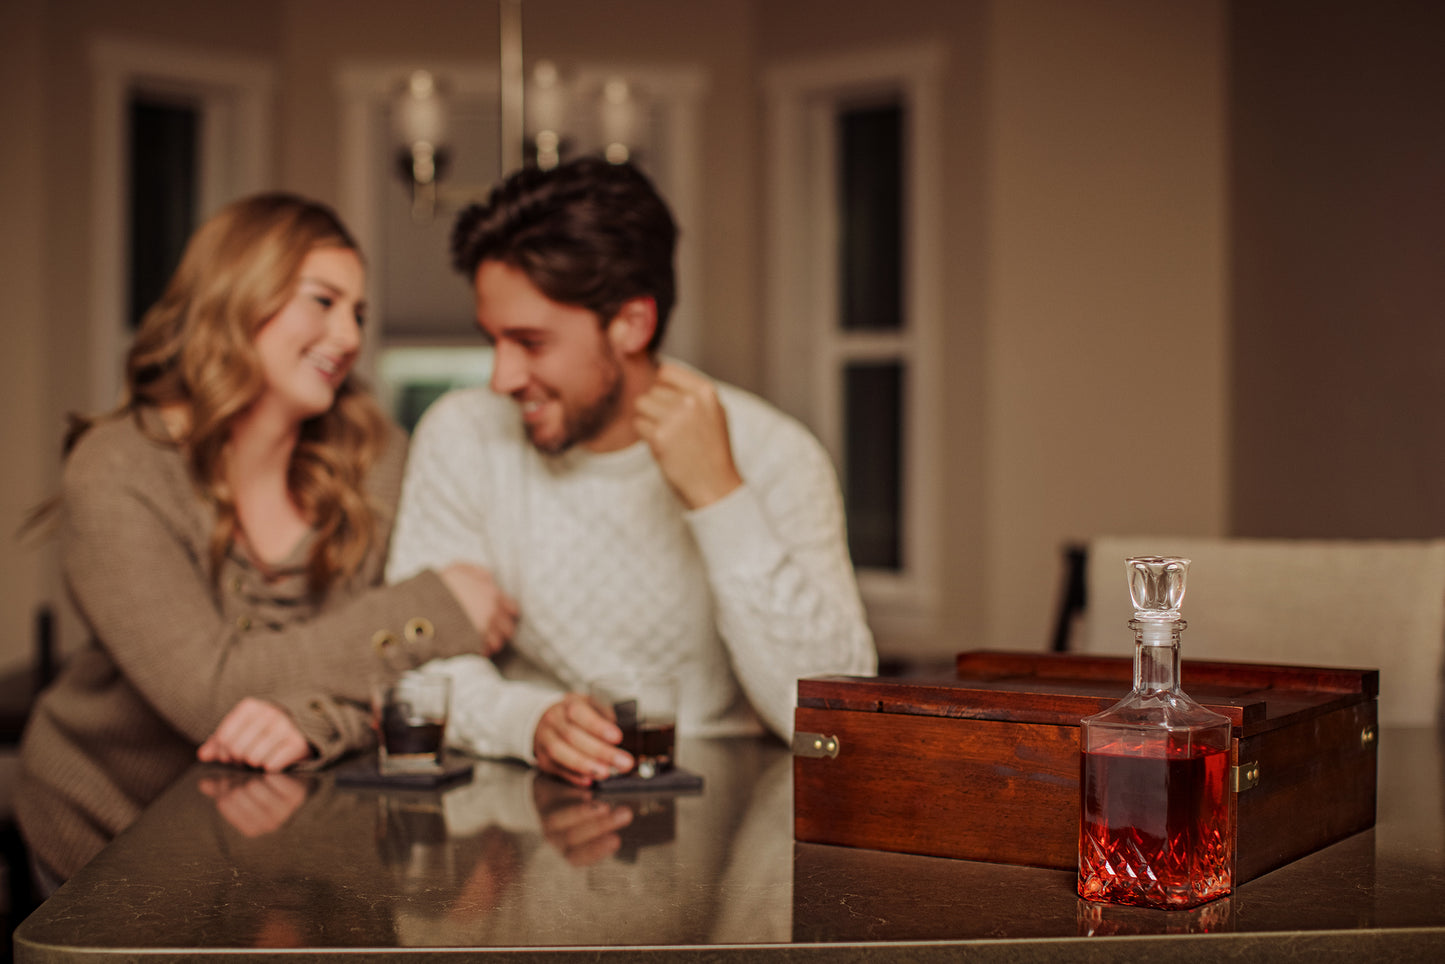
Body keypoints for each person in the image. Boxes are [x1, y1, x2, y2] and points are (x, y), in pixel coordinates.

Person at [15, 192, 510, 886]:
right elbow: (211, 694)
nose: (346, 337)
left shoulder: (376, 456)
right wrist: (436, 607)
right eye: (323, 301)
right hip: (109, 827)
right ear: (238, 292)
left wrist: (315, 721)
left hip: (291, 843)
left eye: (359, 314)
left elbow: (410, 690)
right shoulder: (119, 465)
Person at [386, 157, 877, 788]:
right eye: (493, 340)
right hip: (523, 812)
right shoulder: (462, 434)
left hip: (730, 824)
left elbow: (833, 722)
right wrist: (527, 721)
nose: (501, 378)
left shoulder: (776, 453)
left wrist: (719, 498)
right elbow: (412, 664)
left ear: (631, 324)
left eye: (531, 342)